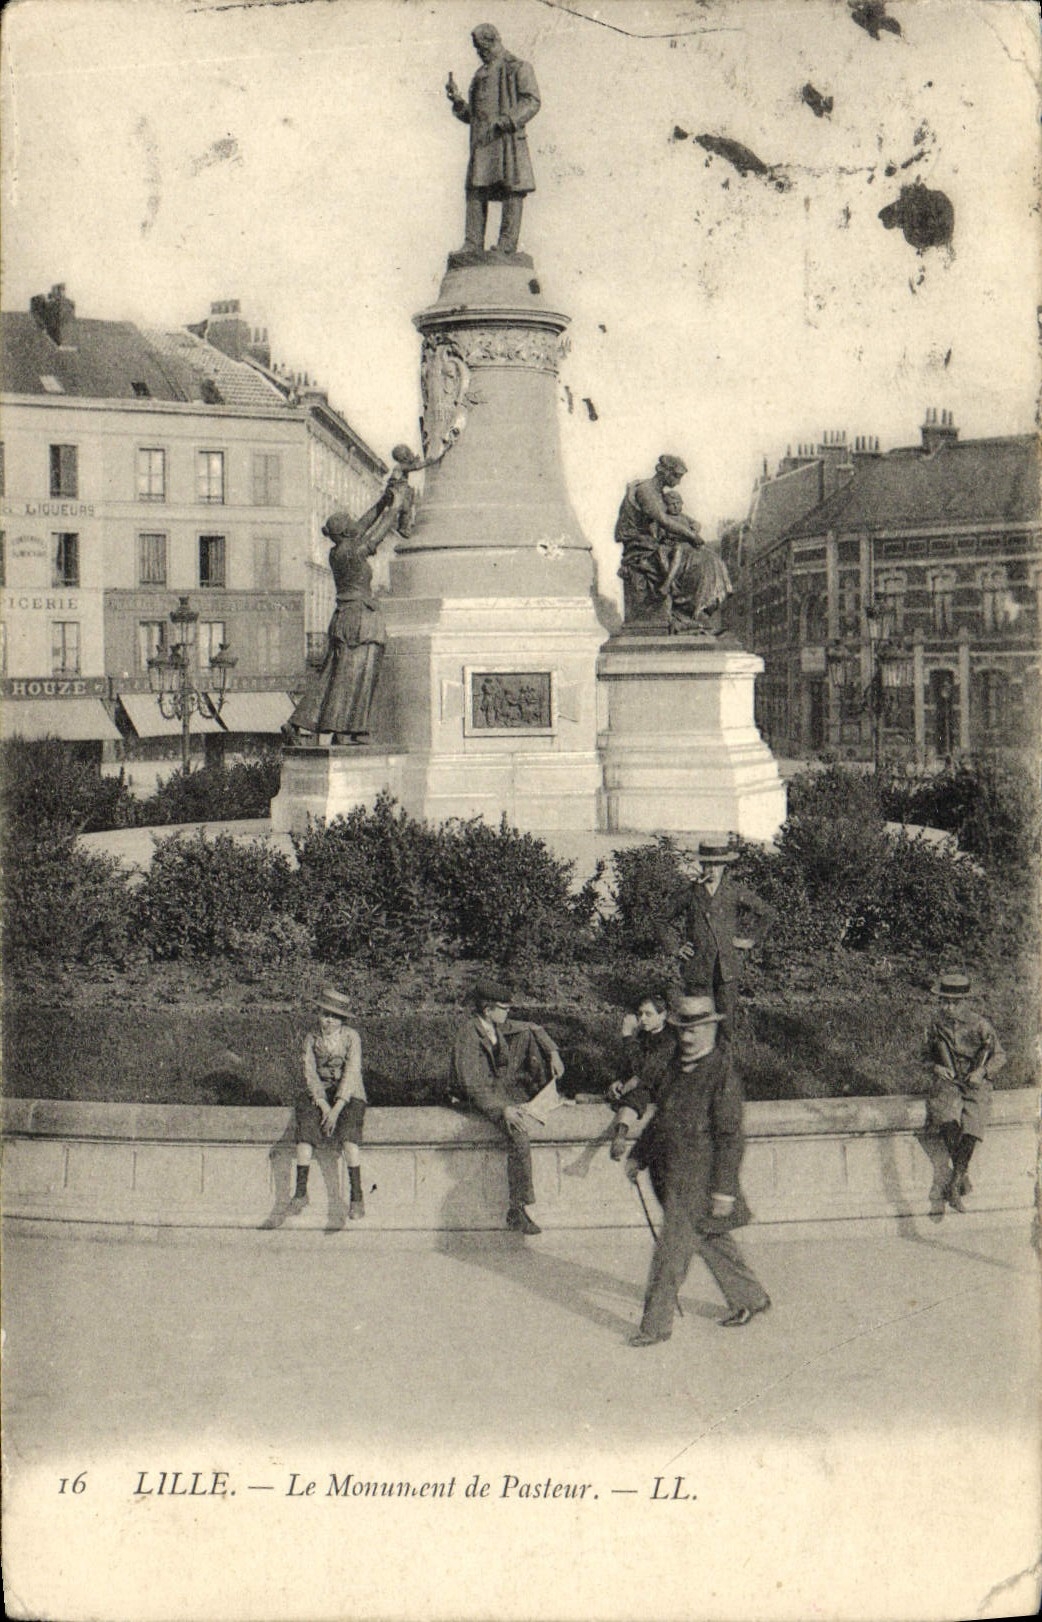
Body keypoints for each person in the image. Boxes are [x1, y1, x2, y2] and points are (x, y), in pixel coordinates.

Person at [626, 994, 770, 1345]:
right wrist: (638, 1156)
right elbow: (663, 1119)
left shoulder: (722, 1074)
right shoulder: (675, 1066)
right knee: (711, 1238)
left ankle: (654, 1328)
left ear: (711, 1029)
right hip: (670, 1177)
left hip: (700, 1182)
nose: (687, 1038)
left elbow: (730, 1138)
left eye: (695, 1031)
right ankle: (751, 1298)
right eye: (681, 1031)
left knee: (670, 1253)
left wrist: (724, 1191)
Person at [449, 979, 564, 1234]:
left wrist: (553, 1052)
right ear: (488, 1009)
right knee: (519, 1135)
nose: (508, 1012)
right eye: (503, 1007)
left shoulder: (492, 1025)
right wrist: (502, 1110)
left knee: (526, 1035)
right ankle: (517, 1208)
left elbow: (532, 1027)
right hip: (478, 1095)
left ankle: (543, 1093)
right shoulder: (469, 1034)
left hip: (497, 1087)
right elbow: (472, 1084)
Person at [655, 839, 776, 1044]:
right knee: (698, 1021)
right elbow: (660, 920)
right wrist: (675, 947)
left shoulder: (733, 891)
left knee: (726, 1021)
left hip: (726, 967)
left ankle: (725, 1064)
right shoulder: (691, 892)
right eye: (707, 864)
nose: (712, 869)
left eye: (717, 864)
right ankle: (699, 1064)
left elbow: (767, 913)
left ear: (724, 866)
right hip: (698, 965)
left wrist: (750, 940)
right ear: (702, 865)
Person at [445, 25, 540, 256]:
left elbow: (532, 101)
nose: (479, 52)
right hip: (482, 145)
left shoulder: (517, 67)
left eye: (481, 47)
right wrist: (458, 102)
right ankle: (473, 243)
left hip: (506, 140)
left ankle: (507, 244)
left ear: (493, 41)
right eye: (477, 48)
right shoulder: (480, 75)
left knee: (511, 190)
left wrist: (507, 120)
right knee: (476, 189)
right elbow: (474, 116)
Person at [925, 970, 1006, 1212]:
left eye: (954, 1002)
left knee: (974, 1118)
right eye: (945, 1002)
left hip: (975, 1078)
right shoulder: (936, 1025)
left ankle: (956, 1180)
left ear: (965, 1002)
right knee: (945, 1113)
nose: (949, 1008)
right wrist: (936, 1067)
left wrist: (983, 1072)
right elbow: (923, 1056)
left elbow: (1000, 1055)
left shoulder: (981, 1025)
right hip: (950, 1079)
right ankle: (961, 1177)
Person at [288, 987, 367, 1222]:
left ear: (342, 1020)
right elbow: (309, 1073)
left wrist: (337, 1108)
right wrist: (323, 1105)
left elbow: (352, 1072)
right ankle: (301, 1192)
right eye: (324, 1015)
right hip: (321, 1094)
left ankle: (356, 1196)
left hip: (349, 1094)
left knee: (349, 1138)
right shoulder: (311, 1038)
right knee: (305, 1132)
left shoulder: (351, 1037)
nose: (328, 1021)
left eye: (334, 1017)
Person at [614, 455, 696, 623]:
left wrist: (691, 526)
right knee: (692, 559)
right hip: (640, 546)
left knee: (701, 559)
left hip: (651, 542)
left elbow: (671, 517)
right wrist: (691, 536)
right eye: (676, 476)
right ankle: (679, 603)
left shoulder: (658, 493)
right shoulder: (647, 490)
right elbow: (663, 520)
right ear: (663, 471)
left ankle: (690, 612)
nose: (678, 482)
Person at [606, 992, 676, 1160]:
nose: (643, 1018)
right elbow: (630, 1066)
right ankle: (619, 1131)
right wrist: (620, 1081)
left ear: (663, 1015)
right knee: (636, 1089)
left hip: (664, 1087)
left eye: (648, 1014)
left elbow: (645, 1071)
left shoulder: (669, 1039)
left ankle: (621, 1133)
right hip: (643, 1084)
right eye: (640, 1014)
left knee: (639, 1090)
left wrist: (628, 1037)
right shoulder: (645, 1034)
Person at [656, 490, 733, 631]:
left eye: (678, 503)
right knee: (679, 551)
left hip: (689, 546)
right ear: (666, 506)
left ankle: (707, 604)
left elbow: (696, 524)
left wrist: (694, 528)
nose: (675, 506)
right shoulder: (664, 518)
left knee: (713, 558)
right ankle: (668, 583)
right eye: (671, 504)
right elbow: (661, 536)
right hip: (674, 548)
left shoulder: (682, 517)